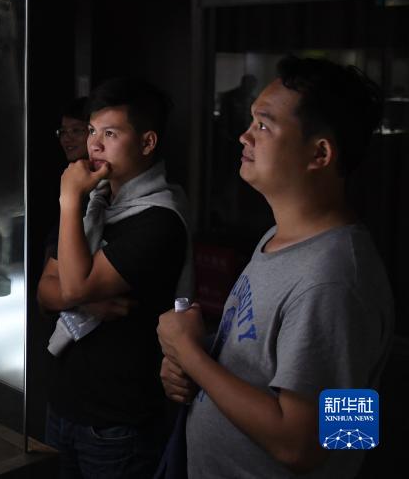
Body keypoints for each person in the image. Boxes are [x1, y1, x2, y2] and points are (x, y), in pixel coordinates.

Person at [157, 56, 394, 479]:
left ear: (319, 153)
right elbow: (262, 359)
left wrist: (189, 355)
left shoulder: (339, 279)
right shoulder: (278, 237)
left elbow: (309, 446)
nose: (244, 135)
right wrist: (196, 357)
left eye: (264, 125)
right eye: (251, 121)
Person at [37, 78, 190, 479]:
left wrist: (68, 199)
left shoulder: (158, 219)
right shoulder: (95, 199)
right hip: (63, 403)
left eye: (110, 133)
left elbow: (70, 286)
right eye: (92, 131)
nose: (94, 144)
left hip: (116, 421)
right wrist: (84, 299)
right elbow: (45, 291)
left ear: (147, 142)